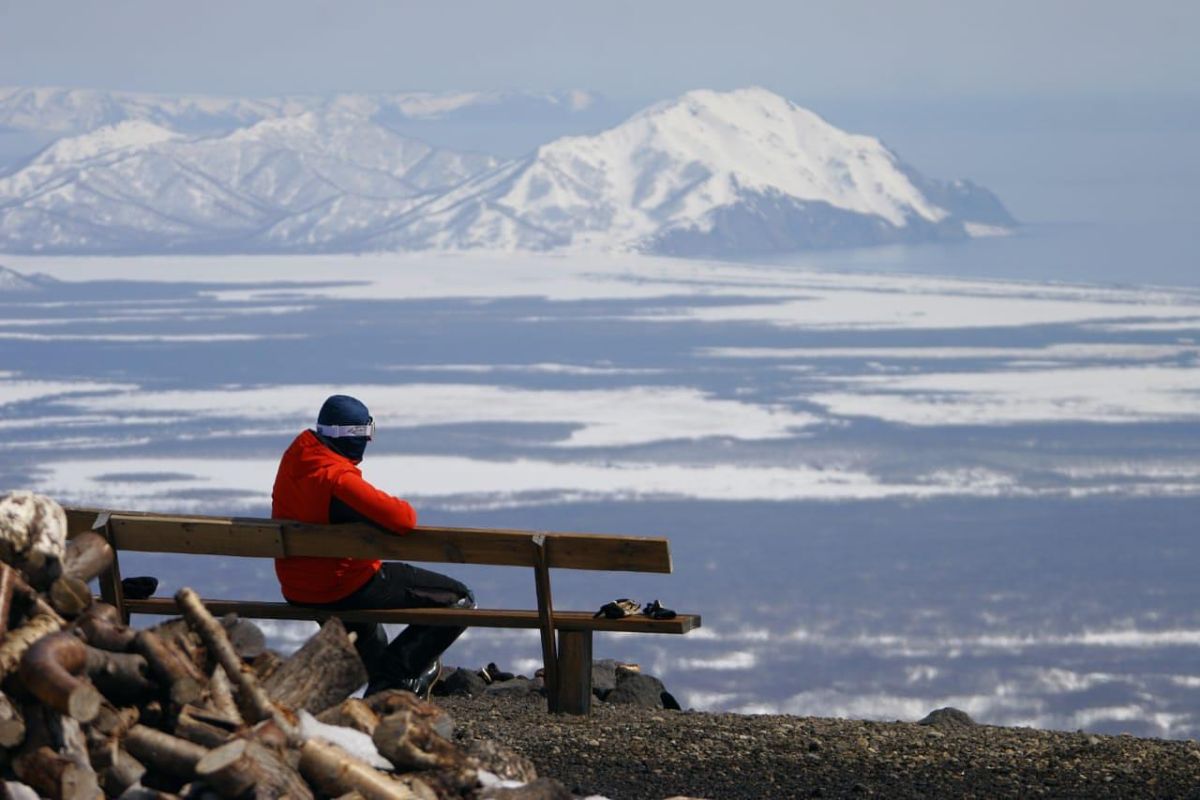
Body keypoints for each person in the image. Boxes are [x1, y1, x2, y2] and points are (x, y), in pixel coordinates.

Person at [271, 394, 474, 697]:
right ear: (352, 436)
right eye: (366, 434)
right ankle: (395, 681)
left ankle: (383, 689)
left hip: (298, 587)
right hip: (339, 586)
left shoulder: (297, 457)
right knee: (458, 600)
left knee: (366, 626)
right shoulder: (336, 480)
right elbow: (402, 518)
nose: (367, 442)